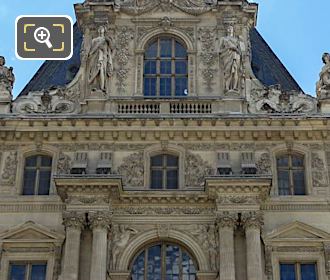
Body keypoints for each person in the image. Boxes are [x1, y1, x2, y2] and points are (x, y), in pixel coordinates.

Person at [88, 26, 113, 91]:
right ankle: (95, 85)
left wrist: (109, 41)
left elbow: (111, 48)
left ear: (104, 30)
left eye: (102, 28)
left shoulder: (106, 39)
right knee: (96, 71)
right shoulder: (94, 40)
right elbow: (91, 51)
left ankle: (102, 87)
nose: (100, 29)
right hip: (95, 57)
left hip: (103, 58)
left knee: (102, 71)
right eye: (99, 28)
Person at [219, 25, 242, 92]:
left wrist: (236, 49)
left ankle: (234, 87)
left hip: (235, 56)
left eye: (230, 28)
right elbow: (219, 50)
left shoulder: (237, 40)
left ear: (233, 30)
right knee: (228, 71)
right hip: (227, 56)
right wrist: (228, 48)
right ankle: (227, 87)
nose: (229, 30)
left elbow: (241, 52)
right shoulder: (223, 39)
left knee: (235, 72)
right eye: (228, 28)